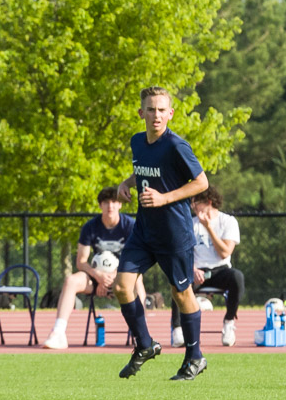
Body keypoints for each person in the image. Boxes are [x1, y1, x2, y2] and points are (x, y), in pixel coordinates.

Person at [113, 86, 210, 381]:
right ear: (141, 113)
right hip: (144, 231)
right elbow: (145, 170)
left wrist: (165, 198)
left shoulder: (176, 145)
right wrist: (126, 183)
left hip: (174, 234)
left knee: (181, 294)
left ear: (170, 113)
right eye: (150, 109)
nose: (156, 115)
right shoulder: (137, 142)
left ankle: (195, 357)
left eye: (161, 110)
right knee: (121, 286)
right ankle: (144, 344)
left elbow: (202, 182)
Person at [41, 186, 146, 349]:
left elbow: (137, 257)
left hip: (121, 276)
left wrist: (114, 275)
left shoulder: (130, 226)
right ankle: (58, 333)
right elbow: (81, 261)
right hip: (96, 278)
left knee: (138, 281)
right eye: (105, 202)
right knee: (71, 280)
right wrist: (99, 277)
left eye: (114, 202)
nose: (110, 206)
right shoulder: (90, 227)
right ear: (100, 205)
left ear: (120, 205)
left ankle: (141, 335)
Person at [169, 187, 244, 348]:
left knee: (237, 277)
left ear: (208, 202)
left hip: (220, 270)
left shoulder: (228, 221)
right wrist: (193, 269)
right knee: (178, 281)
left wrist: (209, 227)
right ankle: (177, 329)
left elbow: (225, 252)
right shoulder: (190, 224)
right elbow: (183, 253)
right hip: (196, 271)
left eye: (196, 202)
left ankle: (229, 322)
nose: (193, 206)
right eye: (191, 203)